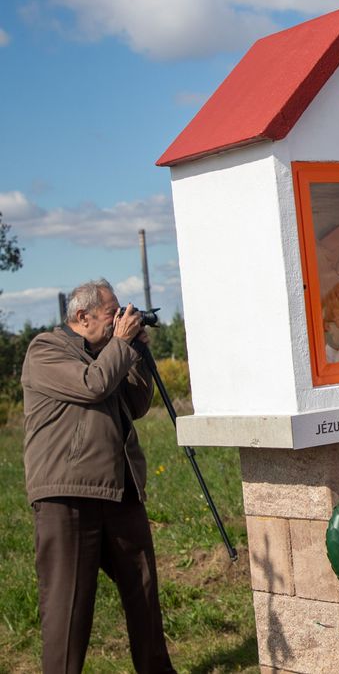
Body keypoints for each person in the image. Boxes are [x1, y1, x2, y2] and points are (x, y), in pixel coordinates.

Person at [22, 279, 175, 673]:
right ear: (82, 316)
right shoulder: (46, 350)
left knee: (143, 592)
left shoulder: (111, 352)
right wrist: (122, 346)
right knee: (68, 606)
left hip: (118, 489)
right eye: (112, 314)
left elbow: (135, 404)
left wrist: (137, 351)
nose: (118, 320)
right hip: (67, 494)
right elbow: (93, 386)